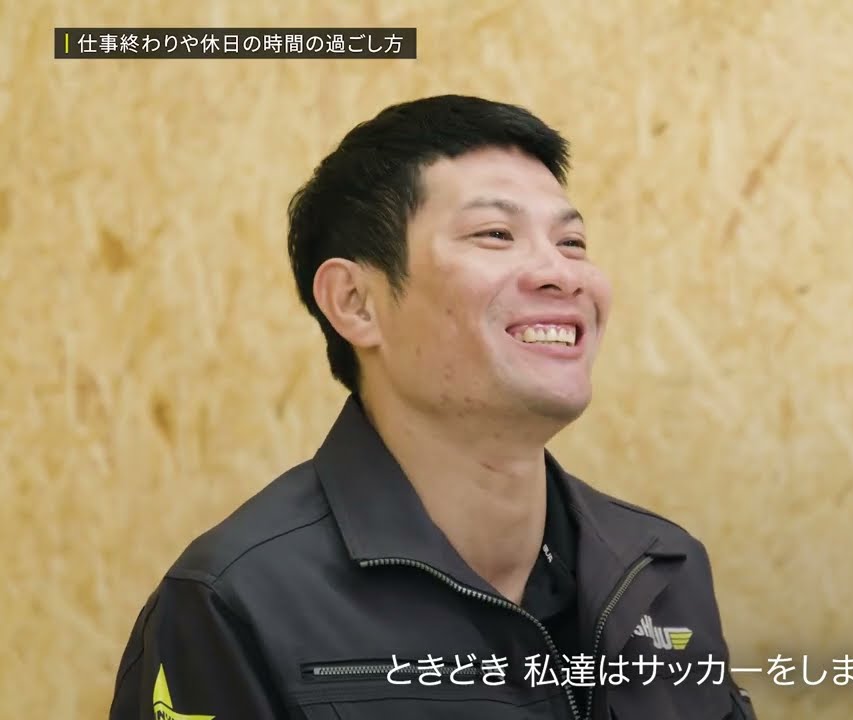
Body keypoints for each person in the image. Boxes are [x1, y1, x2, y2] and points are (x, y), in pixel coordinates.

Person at [107, 94, 759, 720]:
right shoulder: (236, 601)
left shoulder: (658, 567)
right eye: (495, 233)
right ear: (356, 303)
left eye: (572, 243)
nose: (561, 273)